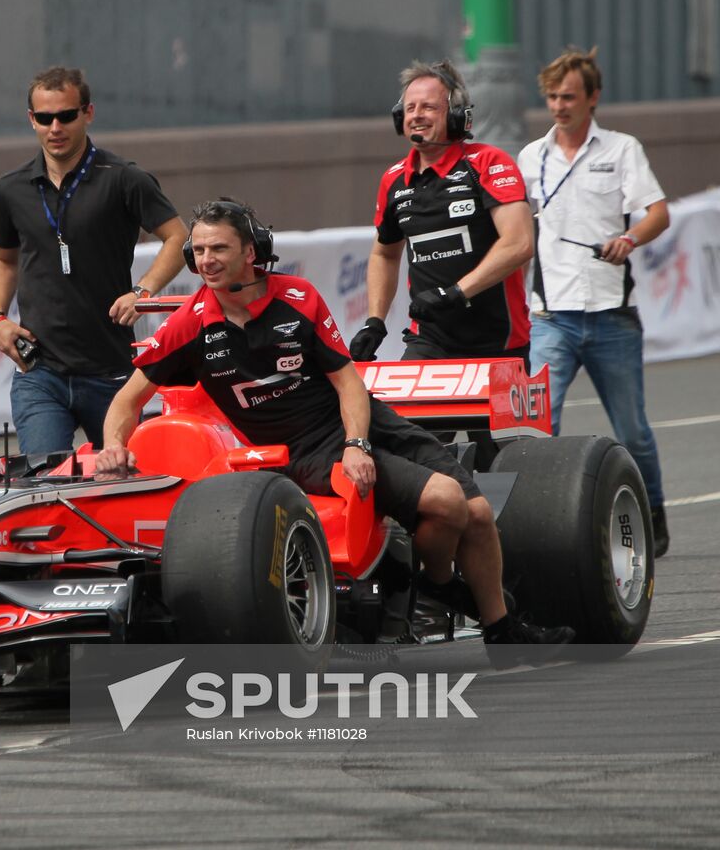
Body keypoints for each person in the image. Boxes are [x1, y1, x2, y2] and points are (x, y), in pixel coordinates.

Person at [94, 198, 575, 665]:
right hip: (301, 451)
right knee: (447, 502)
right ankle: (436, 584)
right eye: (198, 251)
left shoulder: (298, 298)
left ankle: (497, 628)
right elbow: (126, 402)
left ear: (249, 251)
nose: (206, 261)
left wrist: (357, 444)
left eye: (218, 249)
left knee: (476, 511)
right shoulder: (188, 326)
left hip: (363, 421)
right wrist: (114, 446)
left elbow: (348, 382)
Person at [0, 66, 187, 455]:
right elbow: (1, 259)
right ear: (32, 120)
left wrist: (142, 292)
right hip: (40, 372)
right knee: (43, 486)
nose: (55, 127)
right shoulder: (10, 189)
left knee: (124, 484)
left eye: (66, 116)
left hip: (113, 372)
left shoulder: (123, 178)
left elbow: (178, 238)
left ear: (88, 113)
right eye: (44, 118)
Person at [519, 47, 671, 556]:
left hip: (611, 315)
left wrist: (629, 239)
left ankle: (651, 510)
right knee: (539, 428)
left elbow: (657, 213)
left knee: (633, 430)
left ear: (593, 98)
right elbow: (517, 232)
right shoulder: (530, 157)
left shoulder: (622, 149)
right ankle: (540, 526)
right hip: (550, 318)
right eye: (552, 97)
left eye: (568, 96)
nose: (559, 106)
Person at [348, 60, 535, 365]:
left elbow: (520, 242)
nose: (417, 115)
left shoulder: (488, 163)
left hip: (500, 343)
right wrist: (375, 322)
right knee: (405, 413)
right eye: (410, 108)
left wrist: (456, 293)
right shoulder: (393, 180)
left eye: (429, 107)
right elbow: (384, 254)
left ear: (457, 115)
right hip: (428, 340)